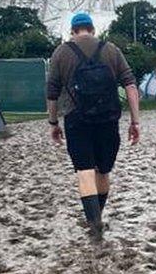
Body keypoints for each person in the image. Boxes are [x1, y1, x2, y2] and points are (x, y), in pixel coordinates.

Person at [46, 13, 140, 242]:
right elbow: (130, 85)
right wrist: (135, 121)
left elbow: (52, 92)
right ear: (93, 30)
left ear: (73, 31)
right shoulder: (111, 50)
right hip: (108, 119)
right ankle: (97, 216)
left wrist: (53, 122)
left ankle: (94, 222)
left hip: (76, 120)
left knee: (84, 172)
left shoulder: (61, 52)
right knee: (102, 171)